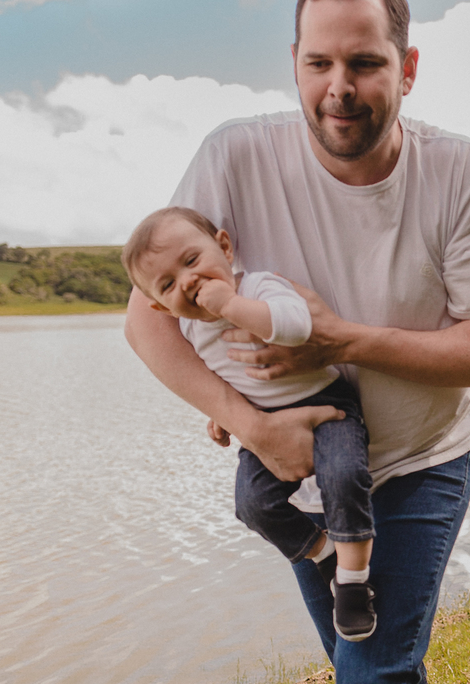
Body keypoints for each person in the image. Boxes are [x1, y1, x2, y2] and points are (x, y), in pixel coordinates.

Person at [123, 0, 470, 684]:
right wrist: (246, 421)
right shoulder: (233, 155)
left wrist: (340, 336)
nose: (338, 89)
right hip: (304, 474)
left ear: (406, 69)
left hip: (424, 458)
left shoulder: (461, 175)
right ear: (295, 65)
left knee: (372, 678)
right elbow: (148, 319)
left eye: (366, 64)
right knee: (374, 674)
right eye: (319, 65)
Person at [121, 206, 378, 641]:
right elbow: (224, 373)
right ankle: (327, 555)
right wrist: (221, 414)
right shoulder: (191, 329)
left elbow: (297, 326)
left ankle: (355, 583)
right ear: (158, 305)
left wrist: (233, 305)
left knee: (344, 475)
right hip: (266, 423)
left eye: (191, 261)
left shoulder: (258, 286)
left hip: (327, 405)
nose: (188, 281)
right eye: (168, 284)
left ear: (223, 246)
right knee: (253, 504)